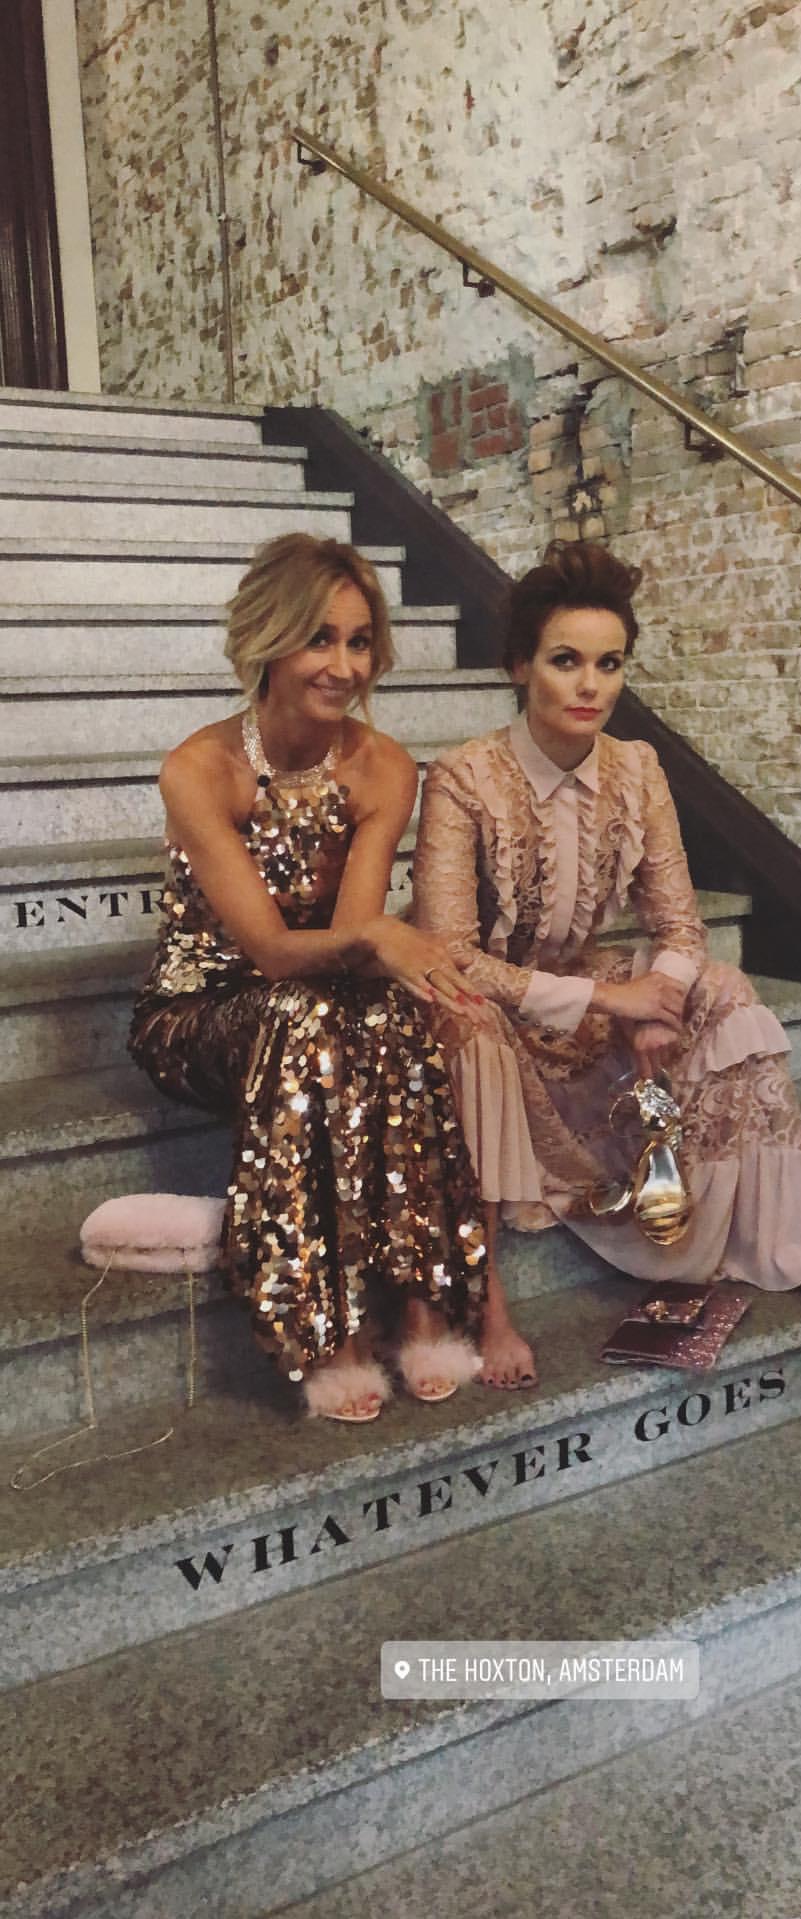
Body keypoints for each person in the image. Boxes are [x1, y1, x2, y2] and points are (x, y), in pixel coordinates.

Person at [411, 540, 801, 1390]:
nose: (590, 685)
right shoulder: (462, 777)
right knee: (470, 1030)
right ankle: (484, 1296)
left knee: (726, 991)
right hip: (489, 998)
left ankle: (787, 1244)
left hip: (592, 994)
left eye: (609, 663)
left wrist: (662, 1000)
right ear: (519, 666)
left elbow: (680, 925)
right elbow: (451, 954)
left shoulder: (637, 766)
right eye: (565, 661)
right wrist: (614, 999)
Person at [129, 532, 490, 1422]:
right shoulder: (198, 769)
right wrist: (380, 938)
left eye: (359, 641)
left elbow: (351, 942)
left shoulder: (383, 767)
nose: (344, 665)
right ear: (268, 638)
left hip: (315, 998)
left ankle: (421, 1303)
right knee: (305, 1012)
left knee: (388, 1011)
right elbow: (271, 951)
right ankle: (329, 1329)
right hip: (199, 1010)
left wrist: (388, 949)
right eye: (318, 638)